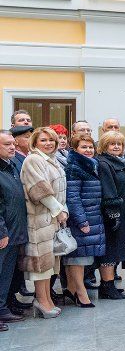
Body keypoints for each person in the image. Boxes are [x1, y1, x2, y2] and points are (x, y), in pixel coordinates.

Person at [20, 127, 67, 318]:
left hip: (52, 219)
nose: (48, 143)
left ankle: (47, 299)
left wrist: (62, 210)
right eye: (43, 140)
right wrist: (58, 210)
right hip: (39, 219)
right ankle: (41, 301)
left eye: (52, 140)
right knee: (41, 264)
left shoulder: (52, 160)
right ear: (35, 142)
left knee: (50, 264)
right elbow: (39, 189)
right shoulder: (33, 159)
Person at [63, 134, 105, 308]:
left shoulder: (91, 164)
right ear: (75, 149)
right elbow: (72, 197)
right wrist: (82, 221)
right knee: (78, 259)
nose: (88, 150)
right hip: (82, 219)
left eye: (90, 147)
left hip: (93, 216)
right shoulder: (75, 167)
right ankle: (81, 293)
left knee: (82, 257)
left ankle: (72, 289)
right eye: (83, 147)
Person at [95, 131, 125, 299]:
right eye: (112, 144)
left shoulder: (120, 162)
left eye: (119, 144)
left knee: (116, 249)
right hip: (112, 214)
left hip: (124, 210)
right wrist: (113, 214)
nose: (117, 147)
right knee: (110, 251)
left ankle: (109, 284)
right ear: (104, 146)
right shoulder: (104, 163)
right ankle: (106, 286)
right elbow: (108, 190)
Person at [0, 130, 28, 328]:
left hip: (15, 231)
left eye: (12, 143)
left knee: (7, 273)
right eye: (7, 144)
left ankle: (3, 307)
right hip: (4, 233)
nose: (12, 147)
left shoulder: (12, 166)